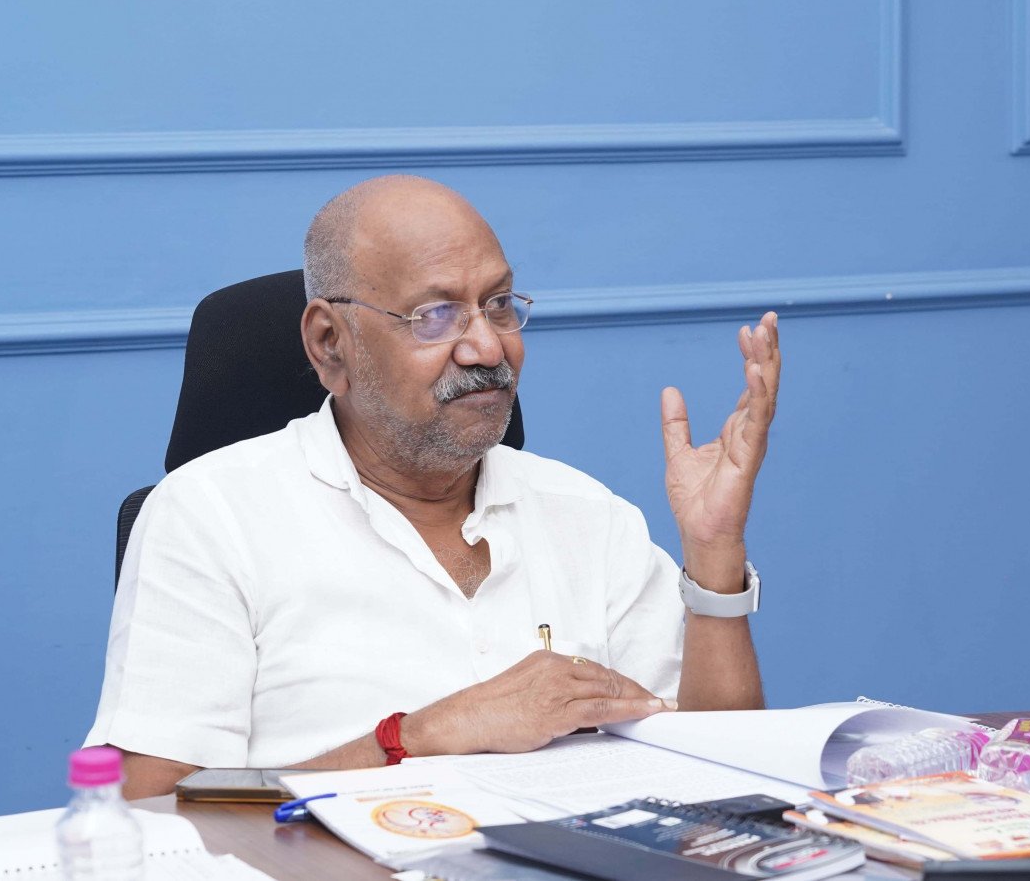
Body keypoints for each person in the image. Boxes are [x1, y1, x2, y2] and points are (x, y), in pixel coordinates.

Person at [85, 175, 781, 798]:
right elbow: (155, 809)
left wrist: (714, 550)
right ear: (329, 342)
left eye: (498, 304)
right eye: (436, 315)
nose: (489, 347)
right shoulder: (209, 516)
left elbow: (721, 776)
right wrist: (414, 738)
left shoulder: (588, 515)